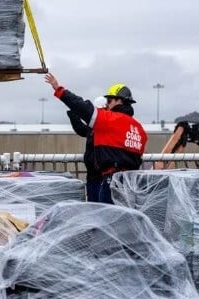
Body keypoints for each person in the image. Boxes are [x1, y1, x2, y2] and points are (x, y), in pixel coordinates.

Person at [45, 73, 148, 204]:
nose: (107, 104)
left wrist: (59, 90)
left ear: (119, 101)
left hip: (112, 182)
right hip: (132, 184)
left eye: (109, 101)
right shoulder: (140, 130)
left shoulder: (108, 119)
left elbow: (81, 106)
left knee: (105, 220)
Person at [66, 96, 107, 202]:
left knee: (100, 207)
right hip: (93, 175)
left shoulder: (106, 126)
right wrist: (74, 112)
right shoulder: (93, 126)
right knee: (95, 206)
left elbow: (82, 130)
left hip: (101, 176)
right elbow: (81, 129)